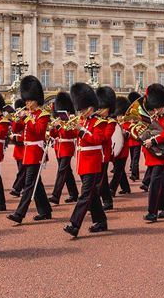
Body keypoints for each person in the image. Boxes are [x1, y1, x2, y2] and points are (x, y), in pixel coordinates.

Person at [63, 83, 108, 237]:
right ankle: (101, 221)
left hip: (93, 162)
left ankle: (74, 224)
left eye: (82, 109)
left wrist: (81, 130)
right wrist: (63, 128)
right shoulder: (83, 121)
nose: (80, 112)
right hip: (82, 162)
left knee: (85, 194)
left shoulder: (100, 122)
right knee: (92, 195)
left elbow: (96, 139)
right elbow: (71, 136)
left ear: (90, 108)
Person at [7, 76, 53, 224]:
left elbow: (39, 131)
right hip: (28, 152)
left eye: (29, 100)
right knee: (35, 183)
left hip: (36, 152)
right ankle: (45, 210)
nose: (27, 103)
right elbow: (16, 130)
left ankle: (19, 214)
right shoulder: (29, 114)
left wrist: (27, 118)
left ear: (36, 100)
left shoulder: (43, 115)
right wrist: (17, 120)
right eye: (26, 100)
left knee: (29, 184)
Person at [140, 84, 164, 222]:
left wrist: (153, 141)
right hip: (152, 155)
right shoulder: (152, 120)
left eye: (159, 107)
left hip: (161, 156)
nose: (156, 109)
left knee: (154, 184)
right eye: (155, 107)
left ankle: (152, 212)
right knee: (159, 184)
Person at [48, 91, 80, 206]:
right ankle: (74, 194)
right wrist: (53, 128)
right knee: (67, 172)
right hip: (58, 147)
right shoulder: (59, 120)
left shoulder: (72, 120)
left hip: (67, 147)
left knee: (62, 171)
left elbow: (72, 134)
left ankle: (55, 196)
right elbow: (54, 135)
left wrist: (62, 126)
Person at [95, 86, 117, 211]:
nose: (99, 110)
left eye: (102, 108)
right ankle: (108, 202)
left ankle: (94, 204)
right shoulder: (96, 120)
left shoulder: (111, 122)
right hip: (95, 153)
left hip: (103, 153)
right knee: (101, 180)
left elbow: (105, 137)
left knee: (99, 180)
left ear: (108, 108)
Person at [108, 96, 131, 198]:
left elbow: (129, 135)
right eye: (118, 115)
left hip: (123, 151)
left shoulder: (127, 124)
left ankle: (112, 189)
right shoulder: (115, 124)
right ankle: (126, 188)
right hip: (115, 150)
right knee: (120, 170)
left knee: (118, 171)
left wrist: (125, 133)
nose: (119, 117)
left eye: (121, 115)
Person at [9, 98, 26, 196]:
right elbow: (15, 129)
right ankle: (24, 188)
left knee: (23, 170)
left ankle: (17, 189)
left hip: (25, 148)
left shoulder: (27, 117)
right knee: (21, 170)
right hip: (19, 149)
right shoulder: (20, 118)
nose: (18, 111)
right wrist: (17, 119)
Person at [127, 91, 142, 181]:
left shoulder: (139, 112)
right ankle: (136, 174)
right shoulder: (128, 113)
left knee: (135, 159)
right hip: (130, 140)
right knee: (133, 158)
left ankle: (134, 174)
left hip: (137, 139)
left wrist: (136, 123)